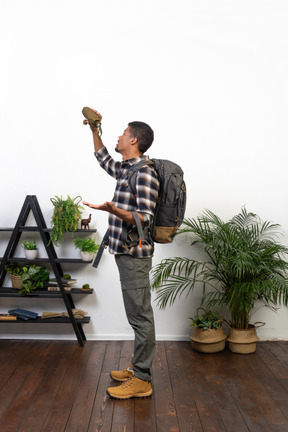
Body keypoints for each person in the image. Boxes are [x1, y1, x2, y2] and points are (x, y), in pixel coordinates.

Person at [83, 110, 159, 399]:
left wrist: (113, 210)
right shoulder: (127, 168)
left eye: (123, 133)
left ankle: (142, 379)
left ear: (134, 140)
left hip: (135, 254)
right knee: (136, 314)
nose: (119, 135)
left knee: (140, 316)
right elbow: (104, 159)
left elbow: (145, 218)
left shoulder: (145, 173)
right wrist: (94, 130)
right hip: (123, 250)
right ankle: (138, 369)